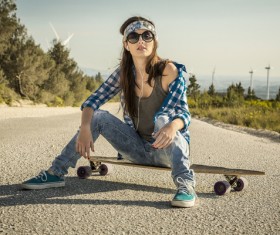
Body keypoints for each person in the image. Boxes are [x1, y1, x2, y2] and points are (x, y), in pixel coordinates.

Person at [22, 16, 196, 208]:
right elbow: (92, 101)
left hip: (167, 150)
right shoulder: (124, 74)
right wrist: (86, 128)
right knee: (98, 117)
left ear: (154, 42)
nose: (141, 41)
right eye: (133, 37)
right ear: (126, 44)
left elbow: (183, 112)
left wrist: (173, 126)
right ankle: (56, 173)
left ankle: (186, 186)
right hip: (138, 149)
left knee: (164, 120)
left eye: (147, 36)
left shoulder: (168, 70)